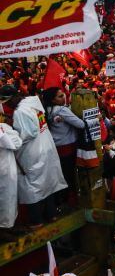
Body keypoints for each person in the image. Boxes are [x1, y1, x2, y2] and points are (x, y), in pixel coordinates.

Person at [0, 85, 67, 227]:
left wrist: (10, 132)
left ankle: (36, 220)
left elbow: (28, 134)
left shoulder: (20, 111)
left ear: (11, 99)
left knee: (31, 186)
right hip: (46, 146)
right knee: (47, 181)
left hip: (33, 151)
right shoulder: (32, 103)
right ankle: (51, 213)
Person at [41, 87, 85, 208]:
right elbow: (81, 124)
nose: (64, 97)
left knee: (60, 175)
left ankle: (61, 201)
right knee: (69, 176)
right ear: (53, 100)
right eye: (60, 96)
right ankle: (70, 201)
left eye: (63, 95)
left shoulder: (47, 110)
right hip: (67, 147)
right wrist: (95, 120)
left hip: (55, 147)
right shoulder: (61, 110)